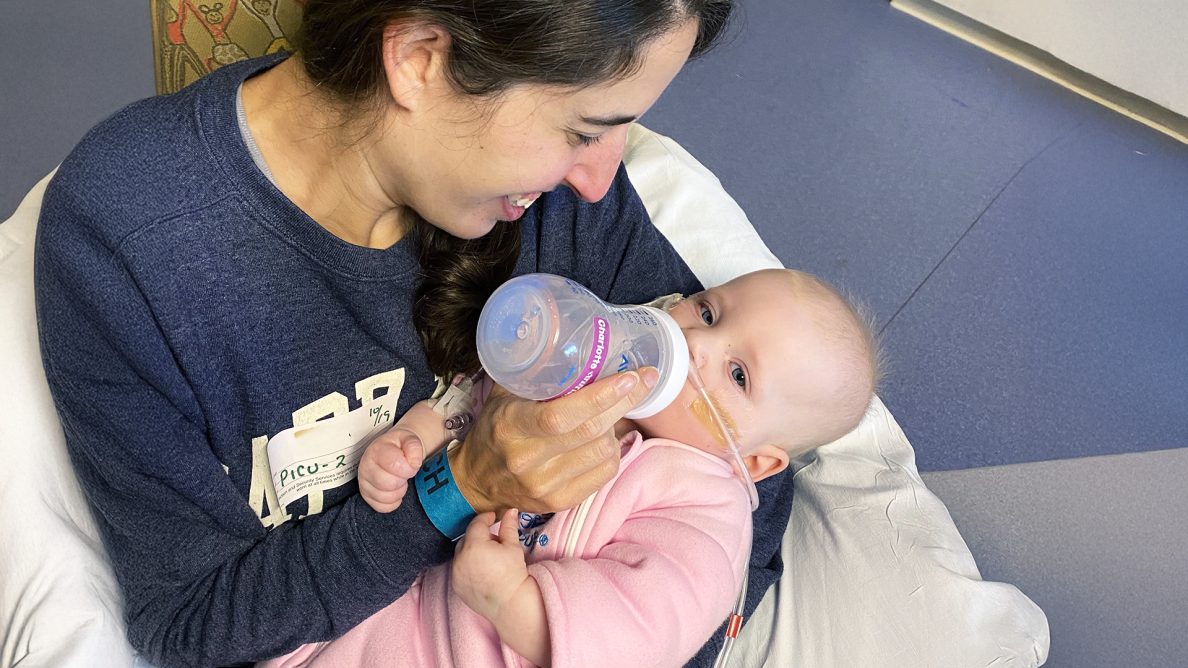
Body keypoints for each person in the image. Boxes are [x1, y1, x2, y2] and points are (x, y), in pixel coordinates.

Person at [33, 2, 799, 667]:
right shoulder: (128, 239)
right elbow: (189, 620)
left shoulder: (560, 209)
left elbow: (753, 454)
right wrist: (459, 487)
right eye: (582, 130)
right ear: (419, 60)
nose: (600, 181)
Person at [256, 268, 879, 668]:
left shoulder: (705, 514)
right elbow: (469, 399)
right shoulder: (589, 368)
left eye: (738, 375)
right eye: (709, 313)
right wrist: (411, 440)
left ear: (755, 461)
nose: (696, 345)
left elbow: (641, 633)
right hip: (379, 613)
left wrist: (512, 603)